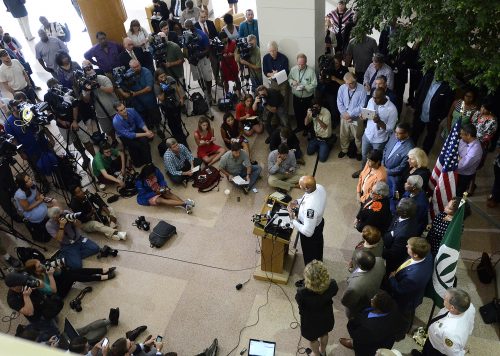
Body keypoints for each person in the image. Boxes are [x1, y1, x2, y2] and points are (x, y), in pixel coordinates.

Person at [411, 288, 475, 356]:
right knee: (425, 350)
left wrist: (463, 352)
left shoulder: (450, 333)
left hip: (436, 349)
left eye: (445, 299)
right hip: (433, 339)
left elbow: (453, 353)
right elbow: (470, 326)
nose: (443, 298)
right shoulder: (469, 306)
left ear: (452, 308)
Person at [288, 176, 327, 286]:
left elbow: (308, 232)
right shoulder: (319, 187)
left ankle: (310, 282)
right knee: (318, 251)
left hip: (311, 235)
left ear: (307, 187)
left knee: (310, 258)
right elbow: (306, 198)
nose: (299, 186)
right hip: (318, 225)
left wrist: (293, 220)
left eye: (300, 185)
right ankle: (318, 265)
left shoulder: (311, 209)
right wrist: (297, 202)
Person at [387, 237, 433, 330]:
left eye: (409, 247)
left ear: (415, 255)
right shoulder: (426, 254)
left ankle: (404, 329)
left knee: (404, 316)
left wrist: (392, 278)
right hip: (412, 290)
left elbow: (400, 290)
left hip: (406, 301)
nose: (406, 246)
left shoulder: (414, 277)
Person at [295, 260, 338, 356]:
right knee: (324, 333)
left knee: (313, 339)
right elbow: (334, 292)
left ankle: (316, 354)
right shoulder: (333, 285)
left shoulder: (302, 293)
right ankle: (323, 351)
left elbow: (300, 305)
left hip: (310, 321)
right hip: (326, 316)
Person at [341, 291, 404, 356]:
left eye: (373, 300)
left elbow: (357, 336)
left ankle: (353, 344)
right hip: (381, 339)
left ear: (378, 309)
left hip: (368, 347)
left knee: (359, 345)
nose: (371, 299)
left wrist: (352, 323)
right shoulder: (393, 306)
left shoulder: (369, 329)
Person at [355, 87, 398, 177]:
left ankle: (374, 176)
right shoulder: (371, 100)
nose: (374, 100)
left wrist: (379, 121)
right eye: (373, 97)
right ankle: (363, 172)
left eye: (377, 98)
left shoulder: (392, 110)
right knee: (364, 156)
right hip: (367, 135)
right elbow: (367, 113)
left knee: (376, 160)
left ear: (384, 96)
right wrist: (363, 115)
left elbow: (390, 129)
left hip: (379, 140)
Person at [5, 272, 60, 342]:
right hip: (38, 317)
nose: (23, 283)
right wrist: (26, 296)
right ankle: (56, 336)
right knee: (50, 329)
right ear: (14, 287)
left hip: (44, 305)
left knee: (53, 318)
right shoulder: (12, 299)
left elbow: (42, 285)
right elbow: (29, 312)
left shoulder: (24, 278)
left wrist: (37, 284)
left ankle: (54, 323)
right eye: (21, 283)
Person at [24, 258, 115, 299]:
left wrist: (56, 268)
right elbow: (54, 291)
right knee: (72, 276)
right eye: (39, 266)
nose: (42, 265)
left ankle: (102, 270)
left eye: (40, 263)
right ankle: (100, 277)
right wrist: (50, 275)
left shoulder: (42, 268)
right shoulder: (37, 282)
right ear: (35, 271)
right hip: (58, 293)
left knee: (73, 270)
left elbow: (59, 273)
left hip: (56, 281)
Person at [411, 71, 454, 153]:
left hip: (434, 117)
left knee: (430, 136)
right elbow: (419, 91)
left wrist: (439, 118)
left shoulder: (448, 86)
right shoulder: (427, 77)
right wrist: (416, 106)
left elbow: (447, 105)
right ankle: (410, 150)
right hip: (420, 112)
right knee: (415, 132)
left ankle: (424, 154)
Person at [117, 59, 162, 136]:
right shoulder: (127, 74)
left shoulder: (146, 72)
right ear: (131, 67)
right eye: (134, 67)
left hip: (149, 99)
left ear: (140, 64)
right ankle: (148, 131)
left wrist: (135, 93)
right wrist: (123, 93)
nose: (137, 68)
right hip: (137, 102)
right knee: (143, 117)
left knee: (155, 115)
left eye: (138, 66)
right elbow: (119, 84)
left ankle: (158, 128)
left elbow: (149, 88)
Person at [81, 60, 119, 143]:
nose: (88, 69)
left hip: (114, 109)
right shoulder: (85, 84)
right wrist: (87, 91)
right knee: (108, 130)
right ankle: (114, 140)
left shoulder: (103, 78)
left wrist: (99, 86)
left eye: (90, 67)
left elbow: (110, 90)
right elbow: (86, 100)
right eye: (86, 68)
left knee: (120, 126)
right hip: (101, 113)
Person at [341, 250, 385, 319]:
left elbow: (346, 302)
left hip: (360, 304)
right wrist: (351, 269)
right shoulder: (379, 260)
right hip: (373, 290)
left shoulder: (354, 288)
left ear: (360, 265)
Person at [382, 123, 414, 211]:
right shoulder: (394, 136)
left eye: (399, 133)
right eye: (395, 132)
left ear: (406, 134)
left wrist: (387, 171)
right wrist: (382, 163)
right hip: (384, 167)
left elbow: (402, 167)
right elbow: (385, 149)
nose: (395, 134)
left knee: (390, 195)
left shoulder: (410, 148)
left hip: (394, 176)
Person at [112, 102, 154, 168]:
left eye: (124, 108)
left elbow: (140, 122)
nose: (124, 111)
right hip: (125, 136)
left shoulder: (132, 110)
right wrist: (146, 134)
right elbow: (129, 135)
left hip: (135, 129)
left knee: (145, 142)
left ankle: (149, 162)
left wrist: (147, 131)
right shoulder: (116, 122)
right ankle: (138, 162)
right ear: (117, 112)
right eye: (121, 110)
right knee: (136, 146)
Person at [14, 173, 53, 243]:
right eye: (26, 181)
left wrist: (42, 198)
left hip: (36, 204)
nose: (30, 181)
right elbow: (27, 208)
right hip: (30, 211)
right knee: (43, 212)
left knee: (53, 203)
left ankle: (52, 225)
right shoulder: (20, 194)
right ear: (22, 184)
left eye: (29, 178)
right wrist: (41, 200)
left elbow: (37, 197)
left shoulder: (32, 184)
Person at [382, 198, 418, 274]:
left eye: (398, 208)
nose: (396, 208)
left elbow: (393, 253)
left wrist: (378, 250)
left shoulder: (404, 234)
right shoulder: (402, 215)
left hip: (392, 260)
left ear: (404, 213)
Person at [154, 68, 188, 147]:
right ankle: (177, 138)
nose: (163, 78)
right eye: (161, 77)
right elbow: (161, 98)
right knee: (172, 123)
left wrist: (181, 98)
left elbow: (177, 88)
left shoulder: (170, 79)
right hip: (167, 107)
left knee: (178, 121)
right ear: (157, 78)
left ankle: (181, 136)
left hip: (176, 103)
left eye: (164, 76)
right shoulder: (156, 85)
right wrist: (164, 90)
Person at [183, 20, 213, 103]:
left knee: (207, 77)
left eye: (189, 27)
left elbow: (208, 49)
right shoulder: (185, 35)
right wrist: (189, 57)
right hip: (193, 60)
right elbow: (185, 49)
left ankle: (209, 93)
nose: (188, 29)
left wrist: (199, 54)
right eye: (186, 28)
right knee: (199, 77)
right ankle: (205, 92)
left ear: (192, 26)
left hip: (203, 59)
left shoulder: (202, 34)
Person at [337, 72, 365, 160]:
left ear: (355, 80)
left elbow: (362, 106)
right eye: (347, 83)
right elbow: (339, 102)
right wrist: (344, 114)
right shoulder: (342, 88)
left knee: (358, 136)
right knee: (344, 134)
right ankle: (344, 149)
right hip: (344, 116)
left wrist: (350, 114)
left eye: (351, 83)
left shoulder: (362, 89)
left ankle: (359, 151)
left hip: (356, 118)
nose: (349, 85)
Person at [288, 53, 317, 135]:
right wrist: (292, 82)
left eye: (303, 64)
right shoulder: (293, 69)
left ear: (306, 62)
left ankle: (307, 129)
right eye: (299, 64)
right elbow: (289, 79)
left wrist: (305, 87)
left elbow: (314, 84)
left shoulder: (311, 71)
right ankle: (299, 126)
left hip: (307, 97)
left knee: (307, 114)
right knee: (297, 113)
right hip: (296, 96)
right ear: (297, 62)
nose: (301, 66)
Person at [317, 52, 348, 127]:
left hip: (337, 92)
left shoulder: (344, 69)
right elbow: (323, 80)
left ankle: (335, 122)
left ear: (341, 62)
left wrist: (335, 79)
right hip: (326, 91)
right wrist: (321, 77)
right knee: (326, 107)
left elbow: (346, 83)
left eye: (337, 63)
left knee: (334, 109)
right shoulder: (329, 68)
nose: (335, 64)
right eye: (334, 62)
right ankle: (327, 120)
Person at [262, 41, 289, 118]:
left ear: (277, 49)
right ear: (268, 50)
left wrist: (278, 73)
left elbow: (286, 72)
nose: (272, 52)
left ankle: (285, 121)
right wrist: (272, 74)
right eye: (270, 51)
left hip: (283, 82)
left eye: (274, 50)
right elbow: (265, 71)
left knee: (284, 101)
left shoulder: (284, 58)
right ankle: (275, 120)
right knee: (273, 100)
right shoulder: (266, 58)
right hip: (272, 82)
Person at [456, 124, 483, 197]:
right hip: (458, 171)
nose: (460, 136)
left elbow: (461, 166)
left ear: (468, 135)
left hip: (464, 175)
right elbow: (455, 151)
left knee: (458, 193)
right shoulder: (463, 140)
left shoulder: (475, 150)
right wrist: (459, 158)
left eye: (462, 134)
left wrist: (458, 159)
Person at [218, 30, 241, 98]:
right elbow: (219, 54)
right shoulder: (220, 45)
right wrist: (222, 55)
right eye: (222, 40)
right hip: (224, 64)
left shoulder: (233, 43)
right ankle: (227, 93)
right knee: (225, 80)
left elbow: (237, 53)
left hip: (232, 63)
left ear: (227, 37)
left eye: (224, 39)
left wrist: (232, 54)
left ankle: (239, 91)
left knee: (236, 78)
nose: (223, 41)